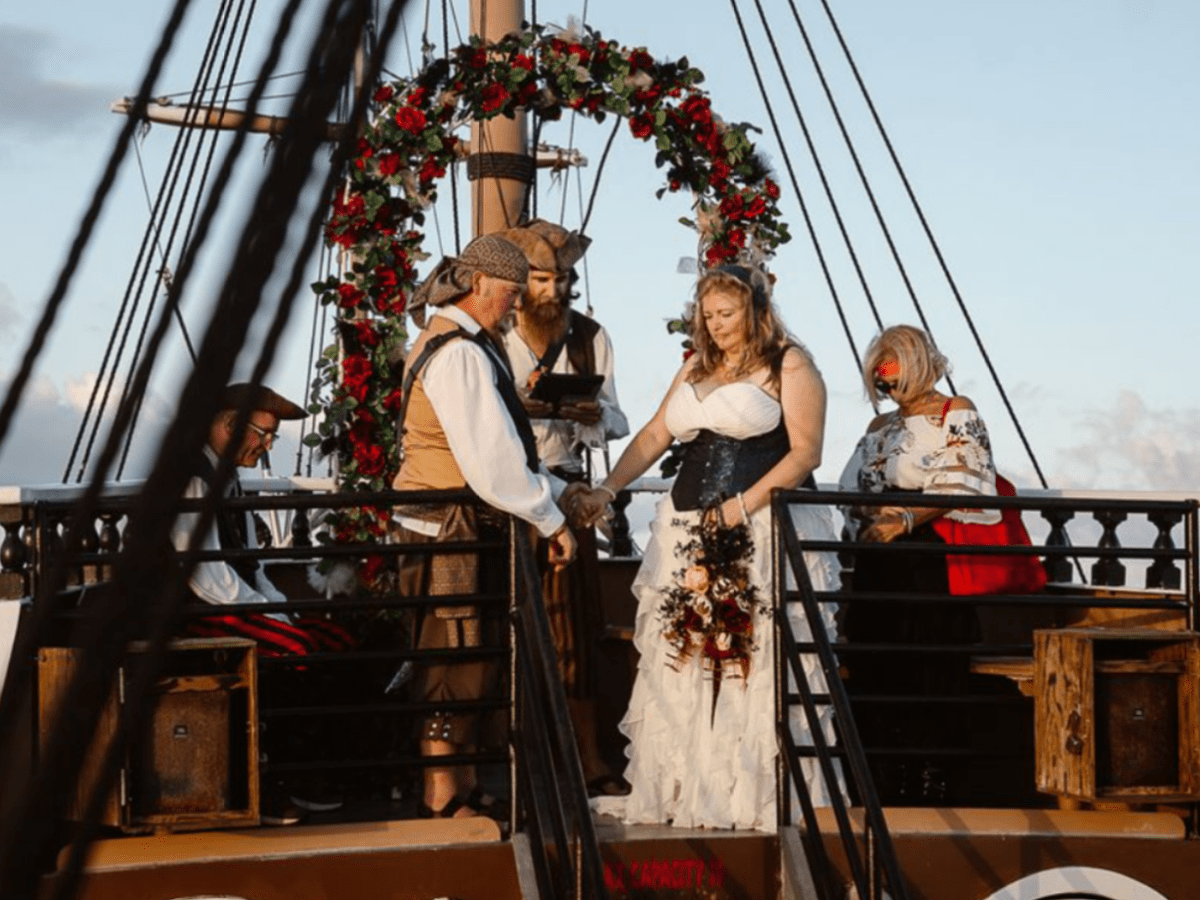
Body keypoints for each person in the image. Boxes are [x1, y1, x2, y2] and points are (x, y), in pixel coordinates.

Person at [577, 264, 842, 831]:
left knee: (753, 657)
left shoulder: (789, 364)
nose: (717, 326)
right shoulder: (697, 366)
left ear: (756, 310)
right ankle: (687, 789)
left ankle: (752, 794)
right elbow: (653, 435)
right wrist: (607, 489)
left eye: (728, 314)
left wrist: (741, 506)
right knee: (687, 654)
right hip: (687, 528)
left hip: (761, 525)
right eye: (709, 315)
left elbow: (806, 454)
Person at [394, 234, 577, 819]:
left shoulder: (461, 343)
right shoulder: (460, 354)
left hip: (454, 526)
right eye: (510, 294)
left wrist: (560, 493)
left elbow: (504, 459)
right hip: (448, 531)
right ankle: (441, 793)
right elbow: (492, 463)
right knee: (452, 652)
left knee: (469, 650)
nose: (515, 306)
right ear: (479, 287)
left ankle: (463, 780)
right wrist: (551, 518)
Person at [173, 383, 356, 823]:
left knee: (336, 639)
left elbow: (252, 566)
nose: (269, 445)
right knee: (293, 649)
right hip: (195, 614)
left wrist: (280, 609)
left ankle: (318, 767)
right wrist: (272, 616)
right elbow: (208, 578)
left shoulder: (228, 479)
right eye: (264, 434)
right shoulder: (191, 479)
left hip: (231, 603)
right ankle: (273, 776)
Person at [837, 323, 999, 804]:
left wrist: (907, 517)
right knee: (876, 661)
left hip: (928, 549)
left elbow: (968, 478)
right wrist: (873, 513)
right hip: (878, 556)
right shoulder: (877, 428)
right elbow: (853, 487)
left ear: (916, 362)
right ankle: (887, 770)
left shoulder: (956, 410)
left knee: (931, 659)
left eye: (889, 369)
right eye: (878, 374)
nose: (884, 382)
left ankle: (933, 775)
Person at [500, 218, 631, 797]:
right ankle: (516, 765)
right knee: (508, 630)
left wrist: (591, 416)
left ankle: (586, 758)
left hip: (569, 491)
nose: (554, 291)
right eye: (542, 279)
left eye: (563, 279)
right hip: (507, 494)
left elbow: (618, 415)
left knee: (575, 634)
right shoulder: (490, 331)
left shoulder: (589, 336)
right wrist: (527, 409)